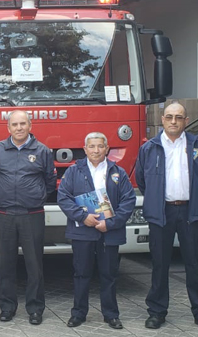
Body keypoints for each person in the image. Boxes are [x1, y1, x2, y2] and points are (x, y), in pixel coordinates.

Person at [135, 102, 198, 332]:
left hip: (190, 212)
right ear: (162, 119)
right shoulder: (149, 148)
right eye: (169, 117)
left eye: (178, 117)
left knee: (194, 263)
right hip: (161, 212)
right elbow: (142, 180)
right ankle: (157, 312)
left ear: (186, 120)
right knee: (160, 263)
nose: (174, 121)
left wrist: (188, 197)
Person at [57, 132, 136, 329]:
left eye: (100, 146)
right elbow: (63, 197)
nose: (96, 150)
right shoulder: (74, 171)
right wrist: (83, 217)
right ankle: (78, 313)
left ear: (107, 149)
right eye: (91, 146)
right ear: (85, 149)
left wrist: (111, 223)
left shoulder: (118, 172)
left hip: (109, 231)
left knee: (108, 274)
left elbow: (129, 200)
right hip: (83, 230)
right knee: (81, 273)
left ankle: (111, 314)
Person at [0, 110, 55, 325]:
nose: (18, 128)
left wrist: (36, 197)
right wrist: (3, 197)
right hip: (5, 214)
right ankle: (7, 307)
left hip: (31, 214)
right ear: (8, 128)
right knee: (6, 264)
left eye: (22, 124)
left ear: (30, 125)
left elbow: (50, 180)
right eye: (14, 124)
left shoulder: (42, 150)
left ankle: (35, 308)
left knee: (34, 265)